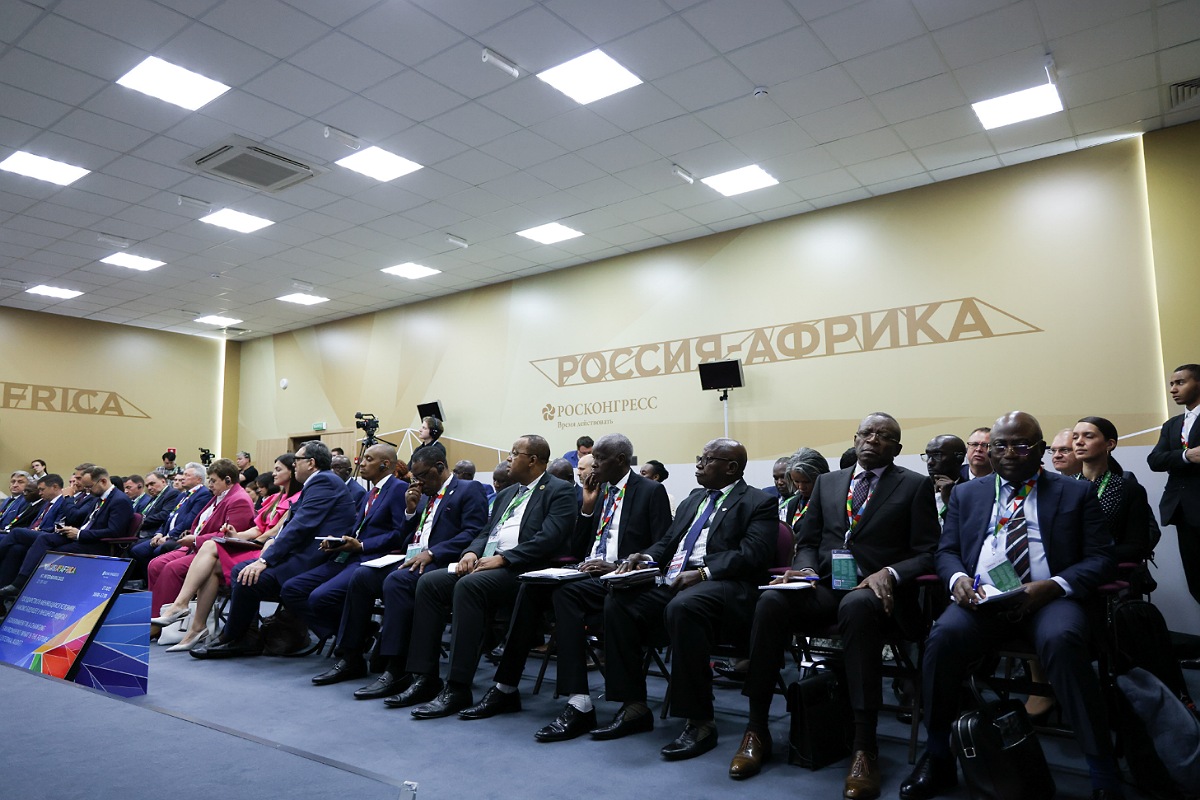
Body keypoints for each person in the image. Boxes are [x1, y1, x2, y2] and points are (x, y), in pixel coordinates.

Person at [902, 412, 1121, 800]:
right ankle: (937, 757)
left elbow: (1102, 558)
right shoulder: (968, 493)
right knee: (942, 638)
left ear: (1039, 449)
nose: (1007, 452)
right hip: (984, 600)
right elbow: (946, 551)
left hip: (1050, 600)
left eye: (1020, 445)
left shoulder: (1074, 492)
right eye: (999, 445)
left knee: (1063, 641)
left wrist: (1053, 586)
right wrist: (957, 579)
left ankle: (1102, 771)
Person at [734, 414, 937, 796]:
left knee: (856, 606)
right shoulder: (828, 482)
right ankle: (756, 728)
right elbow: (808, 541)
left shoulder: (914, 485)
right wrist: (805, 570)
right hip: (826, 586)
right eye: (867, 433)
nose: (873, 440)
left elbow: (928, 552)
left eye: (884, 436)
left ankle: (864, 746)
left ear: (896, 447)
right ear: (855, 438)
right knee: (772, 601)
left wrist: (890, 572)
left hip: (877, 595)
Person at [458, 433, 673, 739]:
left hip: (623, 575)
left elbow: (663, 545)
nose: (592, 467)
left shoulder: (650, 491)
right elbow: (579, 546)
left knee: (566, 595)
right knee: (531, 587)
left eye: (599, 460)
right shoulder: (600, 491)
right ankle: (506, 687)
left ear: (621, 461)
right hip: (589, 572)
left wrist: (618, 564)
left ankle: (580, 703)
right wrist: (587, 508)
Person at [592, 438, 776, 762]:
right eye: (699, 458)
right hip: (677, 580)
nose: (698, 465)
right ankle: (633, 705)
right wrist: (645, 557)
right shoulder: (694, 499)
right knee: (619, 600)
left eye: (706, 460)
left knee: (684, 606)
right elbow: (668, 542)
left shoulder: (758, 502)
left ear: (731, 467)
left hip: (727, 585)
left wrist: (704, 572)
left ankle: (700, 721)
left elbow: (753, 554)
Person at [384, 435, 576, 718]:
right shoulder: (508, 494)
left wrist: (505, 558)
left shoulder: (559, 490)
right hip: (488, 563)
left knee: (469, 586)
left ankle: (457, 687)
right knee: (430, 583)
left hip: (523, 568)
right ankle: (425, 677)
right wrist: (471, 553)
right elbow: (485, 532)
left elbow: (550, 537)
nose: (508, 458)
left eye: (515, 453)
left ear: (533, 460)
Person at [315, 443, 488, 695]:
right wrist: (410, 511)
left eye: (422, 476)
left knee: (397, 582)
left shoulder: (468, 489)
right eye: (414, 477)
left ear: (440, 467)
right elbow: (405, 537)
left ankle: (396, 668)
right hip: (411, 558)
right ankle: (351, 656)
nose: (418, 482)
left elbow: (474, 531)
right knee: (362, 576)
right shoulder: (424, 496)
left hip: (442, 560)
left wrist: (433, 552)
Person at [191, 442, 356, 659]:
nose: (294, 464)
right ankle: (240, 637)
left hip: (315, 558)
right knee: (243, 571)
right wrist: (272, 542)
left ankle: (237, 639)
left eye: (297, 460)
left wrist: (265, 560)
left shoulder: (323, 481)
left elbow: (301, 526)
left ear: (311, 463)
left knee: (246, 576)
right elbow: (293, 525)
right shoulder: (318, 482)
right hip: (303, 553)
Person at [152, 455, 302, 651]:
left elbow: (273, 533)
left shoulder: (296, 499)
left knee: (207, 548)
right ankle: (196, 627)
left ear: (291, 472)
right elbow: (257, 528)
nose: (273, 473)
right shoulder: (275, 498)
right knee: (210, 564)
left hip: (267, 550)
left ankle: (181, 608)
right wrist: (236, 535)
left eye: (278, 469)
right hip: (255, 544)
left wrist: (245, 541)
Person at [282, 444, 409, 649]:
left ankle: (350, 644)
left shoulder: (398, 489)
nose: (361, 463)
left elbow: (399, 534)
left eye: (368, 459)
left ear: (385, 464)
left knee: (320, 597)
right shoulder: (371, 492)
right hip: (347, 555)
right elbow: (359, 528)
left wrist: (362, 546)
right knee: (292, 589)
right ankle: (358, 632)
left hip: (371, 559)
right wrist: (339, 541)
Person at [144, 458, 256, 623]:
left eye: (213, 480)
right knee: (155, 565)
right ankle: (154, 614)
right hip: (199, 546)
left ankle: (165, 619)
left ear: (227, 480)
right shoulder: (220, 495)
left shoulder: (239, 499)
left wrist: (196, 539)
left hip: (218, 552)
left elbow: (230, 536)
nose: (209, 484)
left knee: (172, 568)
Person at [0, 465, 134, 597]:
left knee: (52, 549)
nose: (88, 491)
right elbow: (86, 522)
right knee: (44, 539)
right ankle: (20, 582)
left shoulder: (119, 500)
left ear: (103, 481)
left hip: (96, 543)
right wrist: (69, 529)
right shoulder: (98, 497)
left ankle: (35, 589)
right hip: (82, 536)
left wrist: (79, 534)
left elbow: (115, 532)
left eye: (89, 487)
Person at [1148, 363, 1200, 607]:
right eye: (1171, 384)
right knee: (1195, 579)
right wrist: (1186, 456)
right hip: (1182, 510)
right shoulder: (1172, 424)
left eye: (1180, 382)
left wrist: (1174, 459)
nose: (1172, 389)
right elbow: (1154, 460)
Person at [129, 463, 212, 564]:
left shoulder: (203, 494)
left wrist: (169, 536)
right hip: (165, 534)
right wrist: (159, 533)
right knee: (136, 550)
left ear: (199, 479)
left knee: (155, 551)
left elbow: (189, 521)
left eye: (187, 475)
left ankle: (154, 573)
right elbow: (169, 517)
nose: (182, 478)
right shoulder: (182, 495)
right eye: (183, 474)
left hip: (179, 536)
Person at [0, 474, 68, 589]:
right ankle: (4, 587)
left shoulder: (63, 503)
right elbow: (35, 522)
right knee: (16, 549)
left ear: (55, 487)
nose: (39, 493)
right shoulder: (46, 503)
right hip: (35, 533)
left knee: (16, 532)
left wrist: (39, 529)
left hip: (47, 535)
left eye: (42, 489)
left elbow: (58, 525)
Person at [922, 435, 966, 525]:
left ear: (959, 458)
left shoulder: (972, 492)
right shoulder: (918, 489)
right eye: (928, 455)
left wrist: (951, 502)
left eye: (937, 455)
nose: (930, 462)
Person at [137, 471, 180, 537]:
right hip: (143, 532)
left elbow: (164, 515)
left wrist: (141, 522)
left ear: (163, 481)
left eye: (152, 484)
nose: (149, 488)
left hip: (155, 533)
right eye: (147, 486)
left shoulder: (172, 493)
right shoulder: (155, 496)